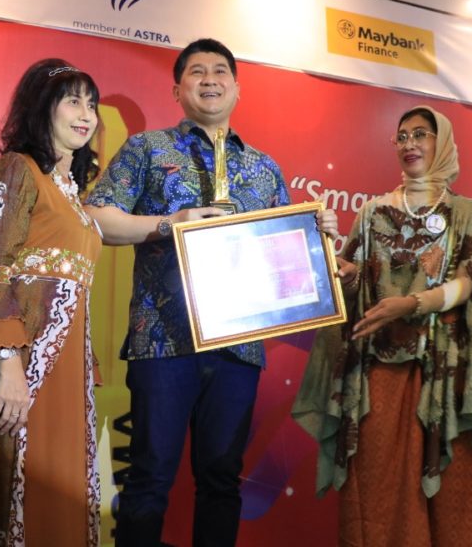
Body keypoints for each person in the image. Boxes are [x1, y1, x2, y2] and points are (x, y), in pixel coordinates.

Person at [86, 38, 337, 547]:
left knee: (222, 482)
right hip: (162, 341)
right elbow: (96, 218)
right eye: (196, 71)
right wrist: (169, 223)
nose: (209, 79)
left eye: (220, 71)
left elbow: (286, 257)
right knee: (149, 477)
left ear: (237, 88)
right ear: (176, 89)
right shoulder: (146, 150)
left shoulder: (264, 168)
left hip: (239, 349)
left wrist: (320, 238)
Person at [292, 105, 472, 547]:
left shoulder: (468, 213)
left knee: (453, 497)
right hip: (380, 376)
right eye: (401, 137)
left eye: (421, 134)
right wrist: (346, 275)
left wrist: (414, 303)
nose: (409, 144)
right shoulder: (372, 212)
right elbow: (356, 280)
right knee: (377, 489)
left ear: (444, 143)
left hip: (450, 376)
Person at [0, 59, 103, 547]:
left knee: (61, 486)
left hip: (67, 365)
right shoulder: (16, 169)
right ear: (42, 107)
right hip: (24, 361)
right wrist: (9, 365)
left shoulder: (72, 193)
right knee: (17, 484)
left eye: (92, 104)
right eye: (72, 101)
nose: (86, 114)